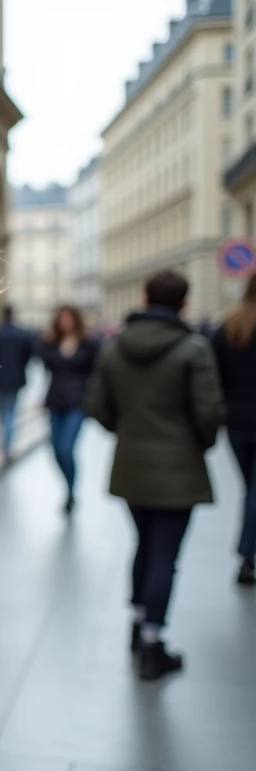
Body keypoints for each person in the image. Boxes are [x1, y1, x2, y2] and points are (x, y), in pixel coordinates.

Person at [87, 270, 224, 680]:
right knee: (166, 554)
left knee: (144, 545)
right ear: (184, 304)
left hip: (131, 465)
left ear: (145, 299)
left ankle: (136, 623)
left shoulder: (115, 347)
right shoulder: (193, 348)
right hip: (178, 469)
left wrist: (126, 432)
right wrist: (196, 442)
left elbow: (98, 406)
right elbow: (209, 413)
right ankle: (152, 644)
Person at [211, 275, 256, 586]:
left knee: (250, 489)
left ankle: (247, 555)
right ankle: (245, 555)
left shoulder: (228, 326)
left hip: (237, 420)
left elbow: (215, 376)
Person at [37, 305, 98, 513]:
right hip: (55, 400)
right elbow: (45, 369)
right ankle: (68, 487)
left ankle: (71, 492)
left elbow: (96, 372)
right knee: (55, 450)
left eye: (68, 317)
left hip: (78, 402)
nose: (65, 321)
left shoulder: (88, 344)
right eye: (61, 318)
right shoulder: (51, 343)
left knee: (66, 448)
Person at [0, 306, 35, 459]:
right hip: (15, 379)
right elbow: (29, 355)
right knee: (11, 411)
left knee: (1, 411)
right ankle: (7, 443)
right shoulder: (21, 334)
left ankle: (5, 442)